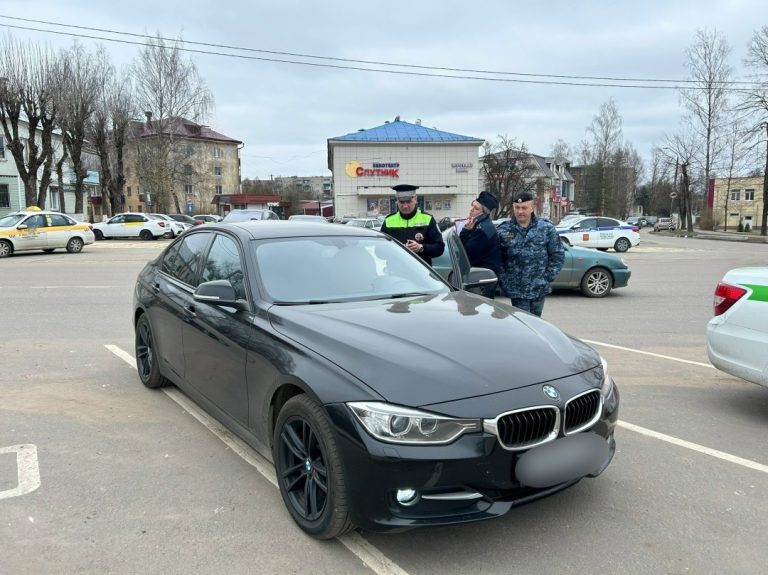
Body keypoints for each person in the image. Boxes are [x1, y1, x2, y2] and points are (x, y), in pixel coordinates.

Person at [496, 191, 564, 317]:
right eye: (517, 207)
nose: (520, 211)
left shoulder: (546, 228)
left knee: (536, 324)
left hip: (538, 288)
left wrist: (546, 278)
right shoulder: (503, 230)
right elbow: (498, 259)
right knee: (521, 326)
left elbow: (558, 255)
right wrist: (504, 280)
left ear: (532, 208)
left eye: (524, 208)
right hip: (516, 289)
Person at [380, 184, 444, 265]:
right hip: (395, 272)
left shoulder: (428, 219)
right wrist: (396, 249)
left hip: (421, 273)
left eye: (409, 201)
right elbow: (379, 251)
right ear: (397, 200)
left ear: (415, 199)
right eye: (402, 202)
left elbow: (440, 248)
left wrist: (421, 248)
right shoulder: (388, 221)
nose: (405, 206)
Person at [459, 191, 502, 298]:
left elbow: (465, 253)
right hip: (482, 276)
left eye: (476, 208)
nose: (471, 209)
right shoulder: (479, 224)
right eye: (472, 206)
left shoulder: (482, 230)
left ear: (484, 213)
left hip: (483, 280)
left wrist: (465, 231)